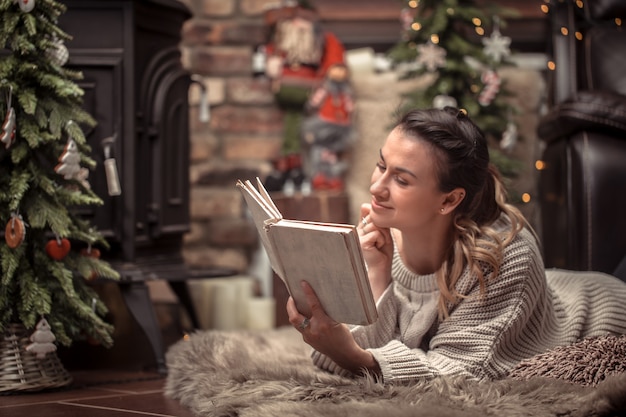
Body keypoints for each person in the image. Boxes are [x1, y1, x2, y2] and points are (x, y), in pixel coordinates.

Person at [286, 107, 626, 383]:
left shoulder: (503, 257)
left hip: (605, 309)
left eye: (401, 179)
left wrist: (352, 355)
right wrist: (377, 276)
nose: (377, 187)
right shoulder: (381, 234)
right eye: (381, 166)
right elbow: (341, 359)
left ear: (449, 200)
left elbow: (457, 373)